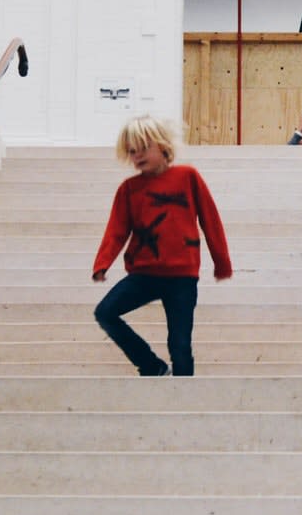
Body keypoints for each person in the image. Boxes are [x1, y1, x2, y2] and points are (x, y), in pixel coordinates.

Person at [91, 116, 232, 376]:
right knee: (105, 312)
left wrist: (221, 262)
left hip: (181, 277)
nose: (137, 155)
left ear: (163, 146)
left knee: (179, 344)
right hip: (143, 275)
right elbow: (116, 230)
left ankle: (184, 398)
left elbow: (210, 219)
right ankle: (151, 365)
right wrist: (102, 263)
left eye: (143, 148)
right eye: (132, 151)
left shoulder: (188, 177)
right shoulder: (128, 189)